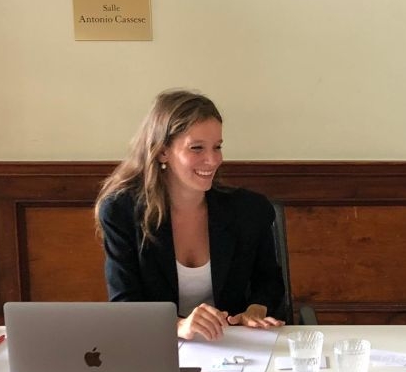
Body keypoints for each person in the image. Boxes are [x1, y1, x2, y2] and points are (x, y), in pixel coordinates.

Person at [95, 89, 286, 341]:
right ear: (163, 152)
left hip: (235, 346)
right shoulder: (122, 212)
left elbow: (268, 282)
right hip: (157, 346)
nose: (212, 160)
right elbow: (125, 302)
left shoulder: (249, 209)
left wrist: (255, 310)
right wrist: (178, 326)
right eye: (197, 148)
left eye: (217, 147)